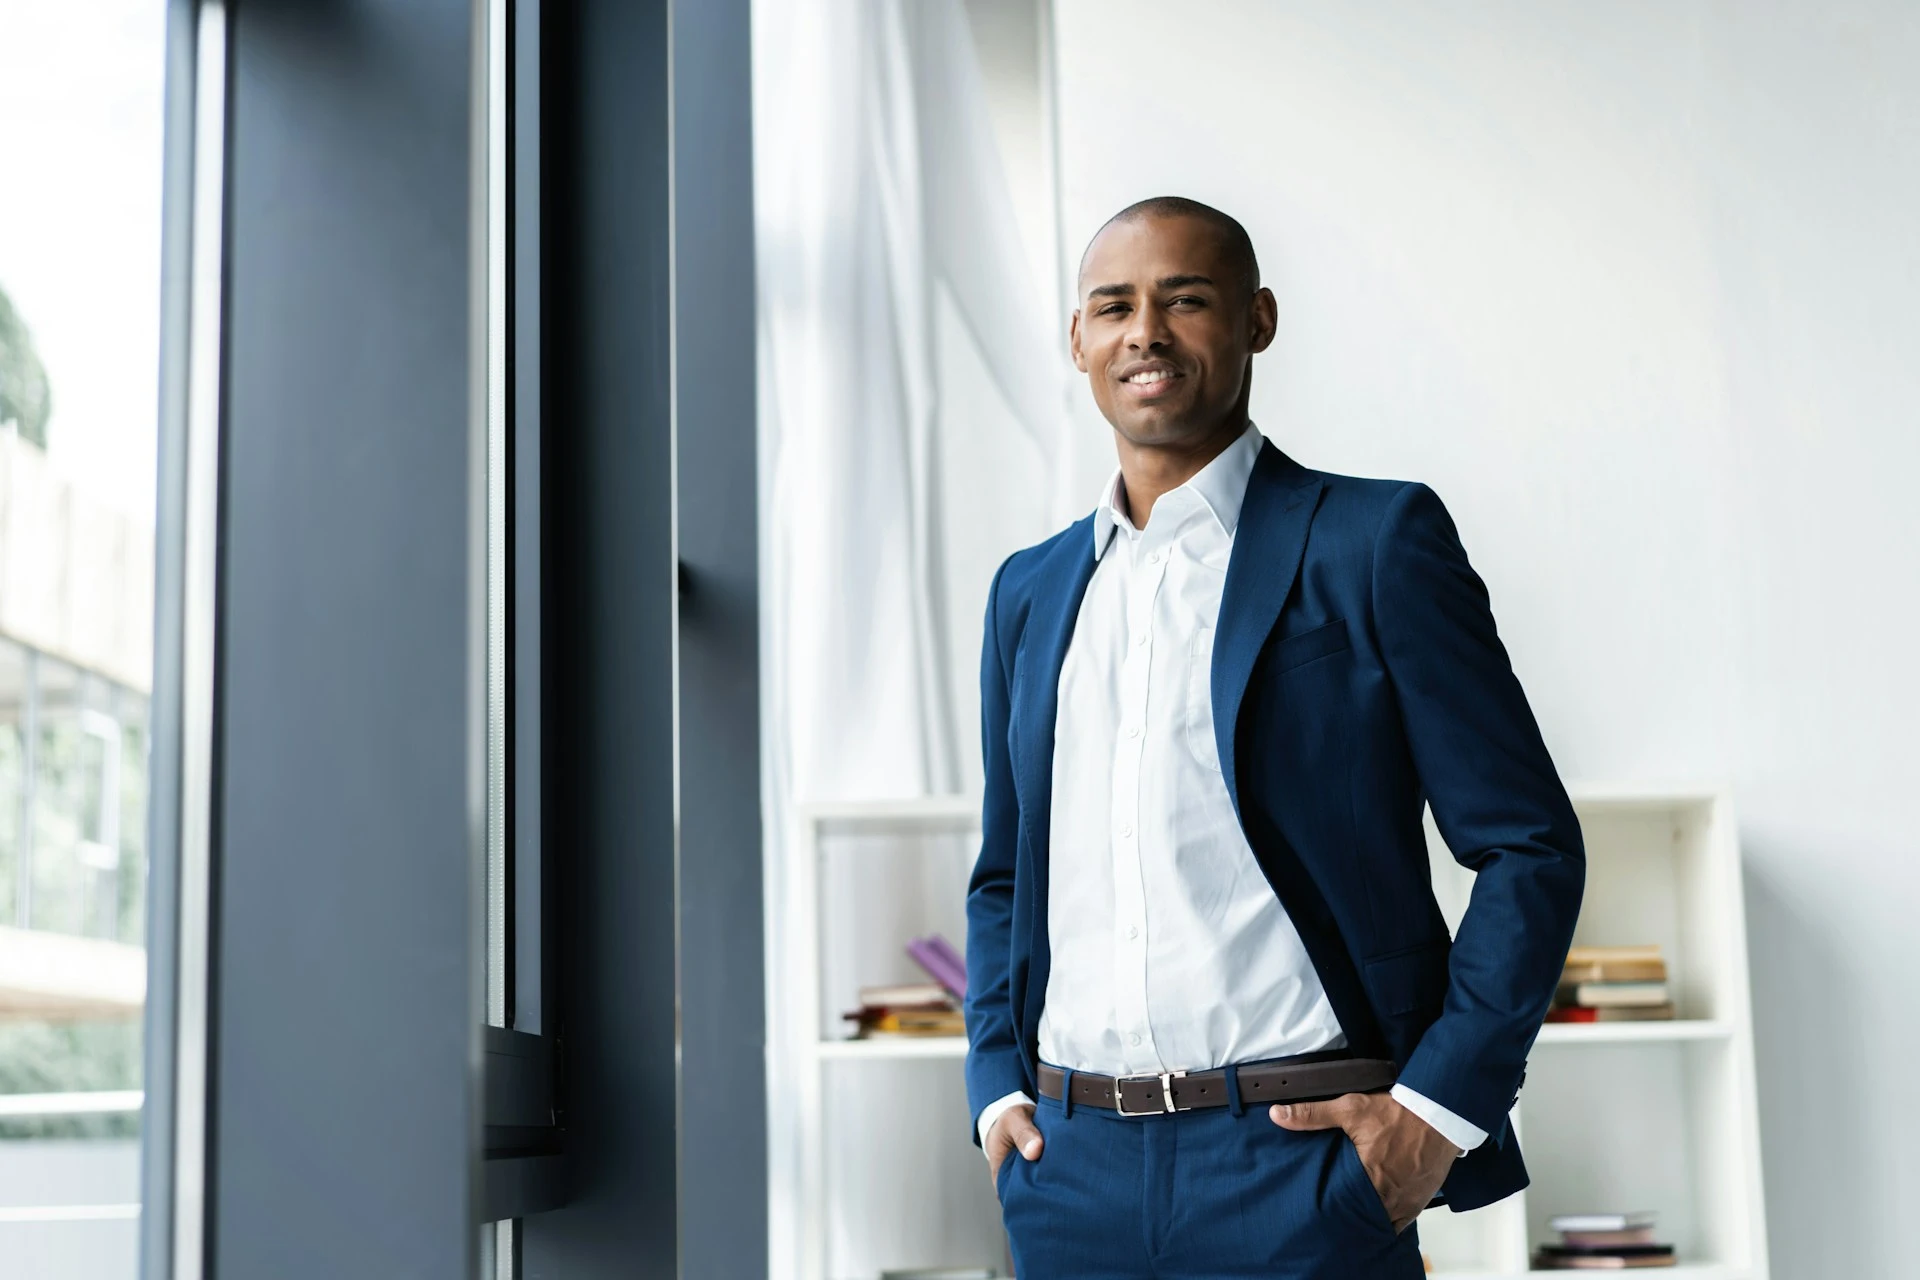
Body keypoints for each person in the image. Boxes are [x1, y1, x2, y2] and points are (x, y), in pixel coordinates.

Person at [963, 196, 1585, 1279]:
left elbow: (1528, 845)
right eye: (1114, 306)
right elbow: (1006, 876)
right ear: (1078, 340)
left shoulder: (1373, 541)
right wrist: (995, 1089)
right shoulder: (1031, 591)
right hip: (1070, 1176)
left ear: (1257, 319)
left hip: (1297, 1169)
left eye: (1185, 299)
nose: (1144, 331)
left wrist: (1434, 1116)